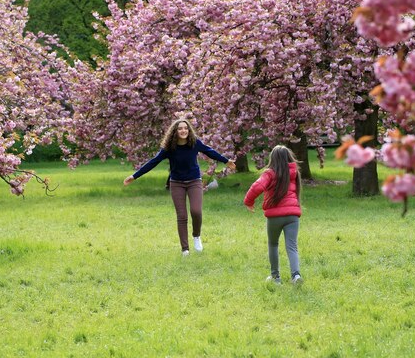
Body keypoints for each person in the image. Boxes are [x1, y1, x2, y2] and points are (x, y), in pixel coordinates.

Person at [124, 119, 236, 256]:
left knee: (196, 211)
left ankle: (196, 236)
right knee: (182, 216)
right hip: (177, 183)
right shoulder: (168, 148)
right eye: (180, 128)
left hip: (194, 181)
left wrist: (226, 161)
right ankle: (185, 249)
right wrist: (134, 176)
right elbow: (153, 162)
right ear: (174, 132)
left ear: (189, 131)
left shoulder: (195, 143)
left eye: (185, 128)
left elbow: (210, 151)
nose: (183, 131)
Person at [244, 145, 303, 284]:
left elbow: (257, 186)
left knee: (273, 244)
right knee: (292, 246)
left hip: (274, 216)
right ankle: (296, 276)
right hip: (293, 216)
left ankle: (276, 277)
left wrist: (248, 201)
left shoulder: (269, 173)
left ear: (273, 158)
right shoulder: (294, 173)